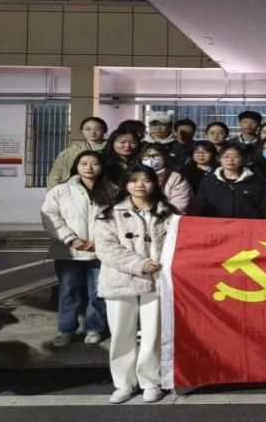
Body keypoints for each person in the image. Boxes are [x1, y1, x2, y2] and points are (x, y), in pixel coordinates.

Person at [94, 165, 177, 405]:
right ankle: (123, 383)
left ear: (155, 184)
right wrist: (140, 264)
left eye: (146, 180)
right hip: (120, 279)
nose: (140, 185)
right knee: (121, 333)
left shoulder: (168, 212)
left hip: (158, 280)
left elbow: (178, 242)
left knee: (153, 333)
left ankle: (151, 382)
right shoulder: (108, 213)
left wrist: (158, 264)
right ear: (125, 184)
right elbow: (106, 249)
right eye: (134, 180)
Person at [41, 151, 113, 348]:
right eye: (84, 163)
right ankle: (66, 330)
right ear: (76, 166)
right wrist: (70, 239)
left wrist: (101, 241)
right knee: (68, 291)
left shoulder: (112, 191)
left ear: (102, 166)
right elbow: (50, 216)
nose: (89, 167)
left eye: (94, 163)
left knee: (98, 292)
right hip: (69, 253)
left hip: (100, 252)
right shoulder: (60, 191)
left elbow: (118, 219)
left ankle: (94, 328)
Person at [196, 144, 266, 219]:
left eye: (236, 156)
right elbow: (201, 206)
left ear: (242, 160)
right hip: (216, 224)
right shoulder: (209, 181)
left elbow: (262, 208)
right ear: (219, 159)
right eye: (226, 156)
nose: (230, 160)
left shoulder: (256, 182)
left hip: (247, 224)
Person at [47, 116, 108, 189]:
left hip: (105, 190)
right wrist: (53, 193)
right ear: (82, 131)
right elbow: (56, 175)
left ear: (105, 130)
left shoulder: (112, 150)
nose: (92, 132)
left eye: (97, 129)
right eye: (88, 129)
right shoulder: (69, 153)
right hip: (73, 190)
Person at [140, 144, 194, 214]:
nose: (150, 159)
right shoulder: (135, 176)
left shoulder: (176, 178)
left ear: (164, 157)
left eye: (156, 155)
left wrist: (154, 214)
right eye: (146, 156)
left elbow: (179, 206)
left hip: (166, 216)